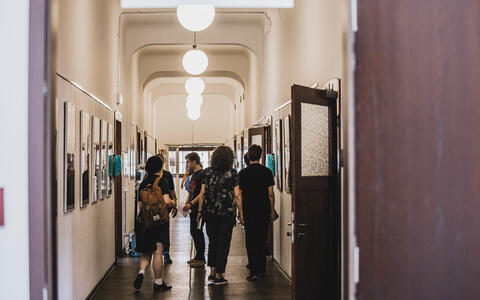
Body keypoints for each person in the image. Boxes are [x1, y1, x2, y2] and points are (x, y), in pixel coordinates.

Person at [197, 146, 244, 285]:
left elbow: (202, 194)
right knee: (223, 243)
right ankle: (219, 275)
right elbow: (237, 195)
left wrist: (199, 212)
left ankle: (212, 271)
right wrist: (241, 213)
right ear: (230, 159)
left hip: (209, 213)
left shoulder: (207, 172)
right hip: (226, 214)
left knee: (212, 241)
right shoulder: (233, 173)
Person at [133, 156, 176, 292]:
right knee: (158, 251)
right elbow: (167, 200)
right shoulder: (162, 181)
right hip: (160, 221)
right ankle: (158, 283)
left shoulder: (143, 183)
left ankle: (141, 272)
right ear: (160, 167)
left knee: (147, 251)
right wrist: (175, 203)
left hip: (146, 221)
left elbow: (140, 205)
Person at [239, 144, 275, 281]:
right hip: (263, 210)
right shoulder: (267, 172)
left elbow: (240, 195)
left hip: (249, 210)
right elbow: (270, 194)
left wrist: (240, 213)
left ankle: (253, 269)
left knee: (251, 239)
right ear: (260, 156)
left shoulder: (243, 173)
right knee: (261, 239)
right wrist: (272, 210)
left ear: (248, 156)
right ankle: (262, 269)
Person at [182, 152, 206, 267]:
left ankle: (201, 258)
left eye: (188, 162)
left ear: (194, 161)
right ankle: (197, 256)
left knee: (197, 231)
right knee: (193, 231)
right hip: (192, 208)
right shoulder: (193, 175)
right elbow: (191, 192)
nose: (187, 164)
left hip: (198, 208)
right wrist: (187, 202)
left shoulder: (202, 174)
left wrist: (191, 204)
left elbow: (202, 193)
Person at [156, 153, 178, 264]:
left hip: (164, 208)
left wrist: (175, 205)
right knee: (160, 231)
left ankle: (165, 253)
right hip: (155, 209)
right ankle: (158, 254)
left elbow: (172, 191)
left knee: (164, 231)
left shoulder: (167, 175)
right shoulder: (148, 176)